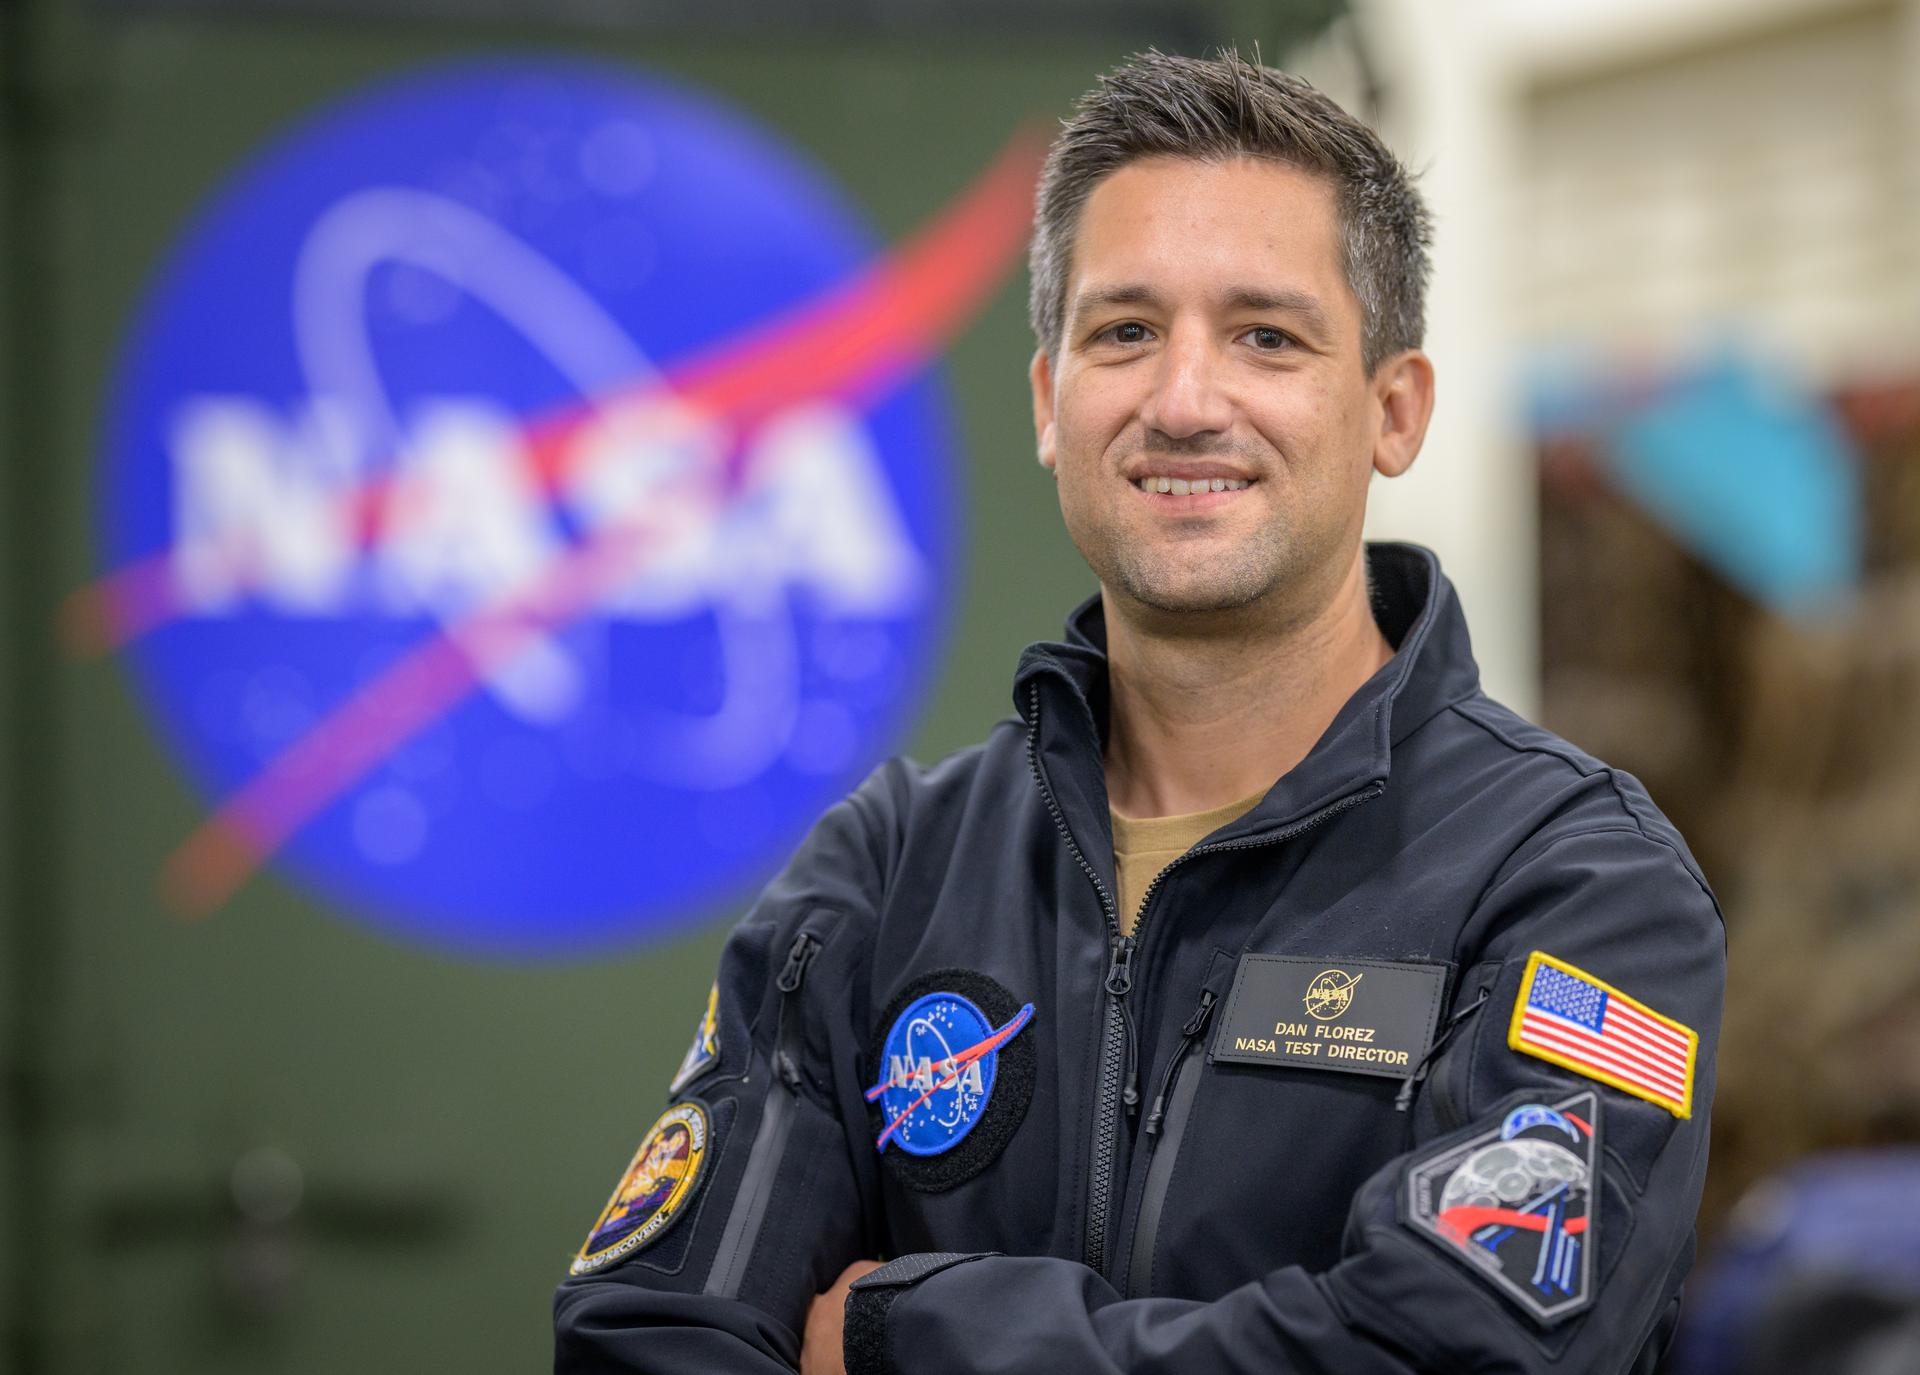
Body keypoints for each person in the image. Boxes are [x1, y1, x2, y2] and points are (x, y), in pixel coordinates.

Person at [553, 49, 1724, 1375]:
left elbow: (1456, 1357)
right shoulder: (888, 877)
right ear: (1052, 404)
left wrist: (911, 1335)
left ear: (1392, 411)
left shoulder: (1573, 886)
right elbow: (645, 1336)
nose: (1183, 402)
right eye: (1124, 332)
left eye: (1265, 337)